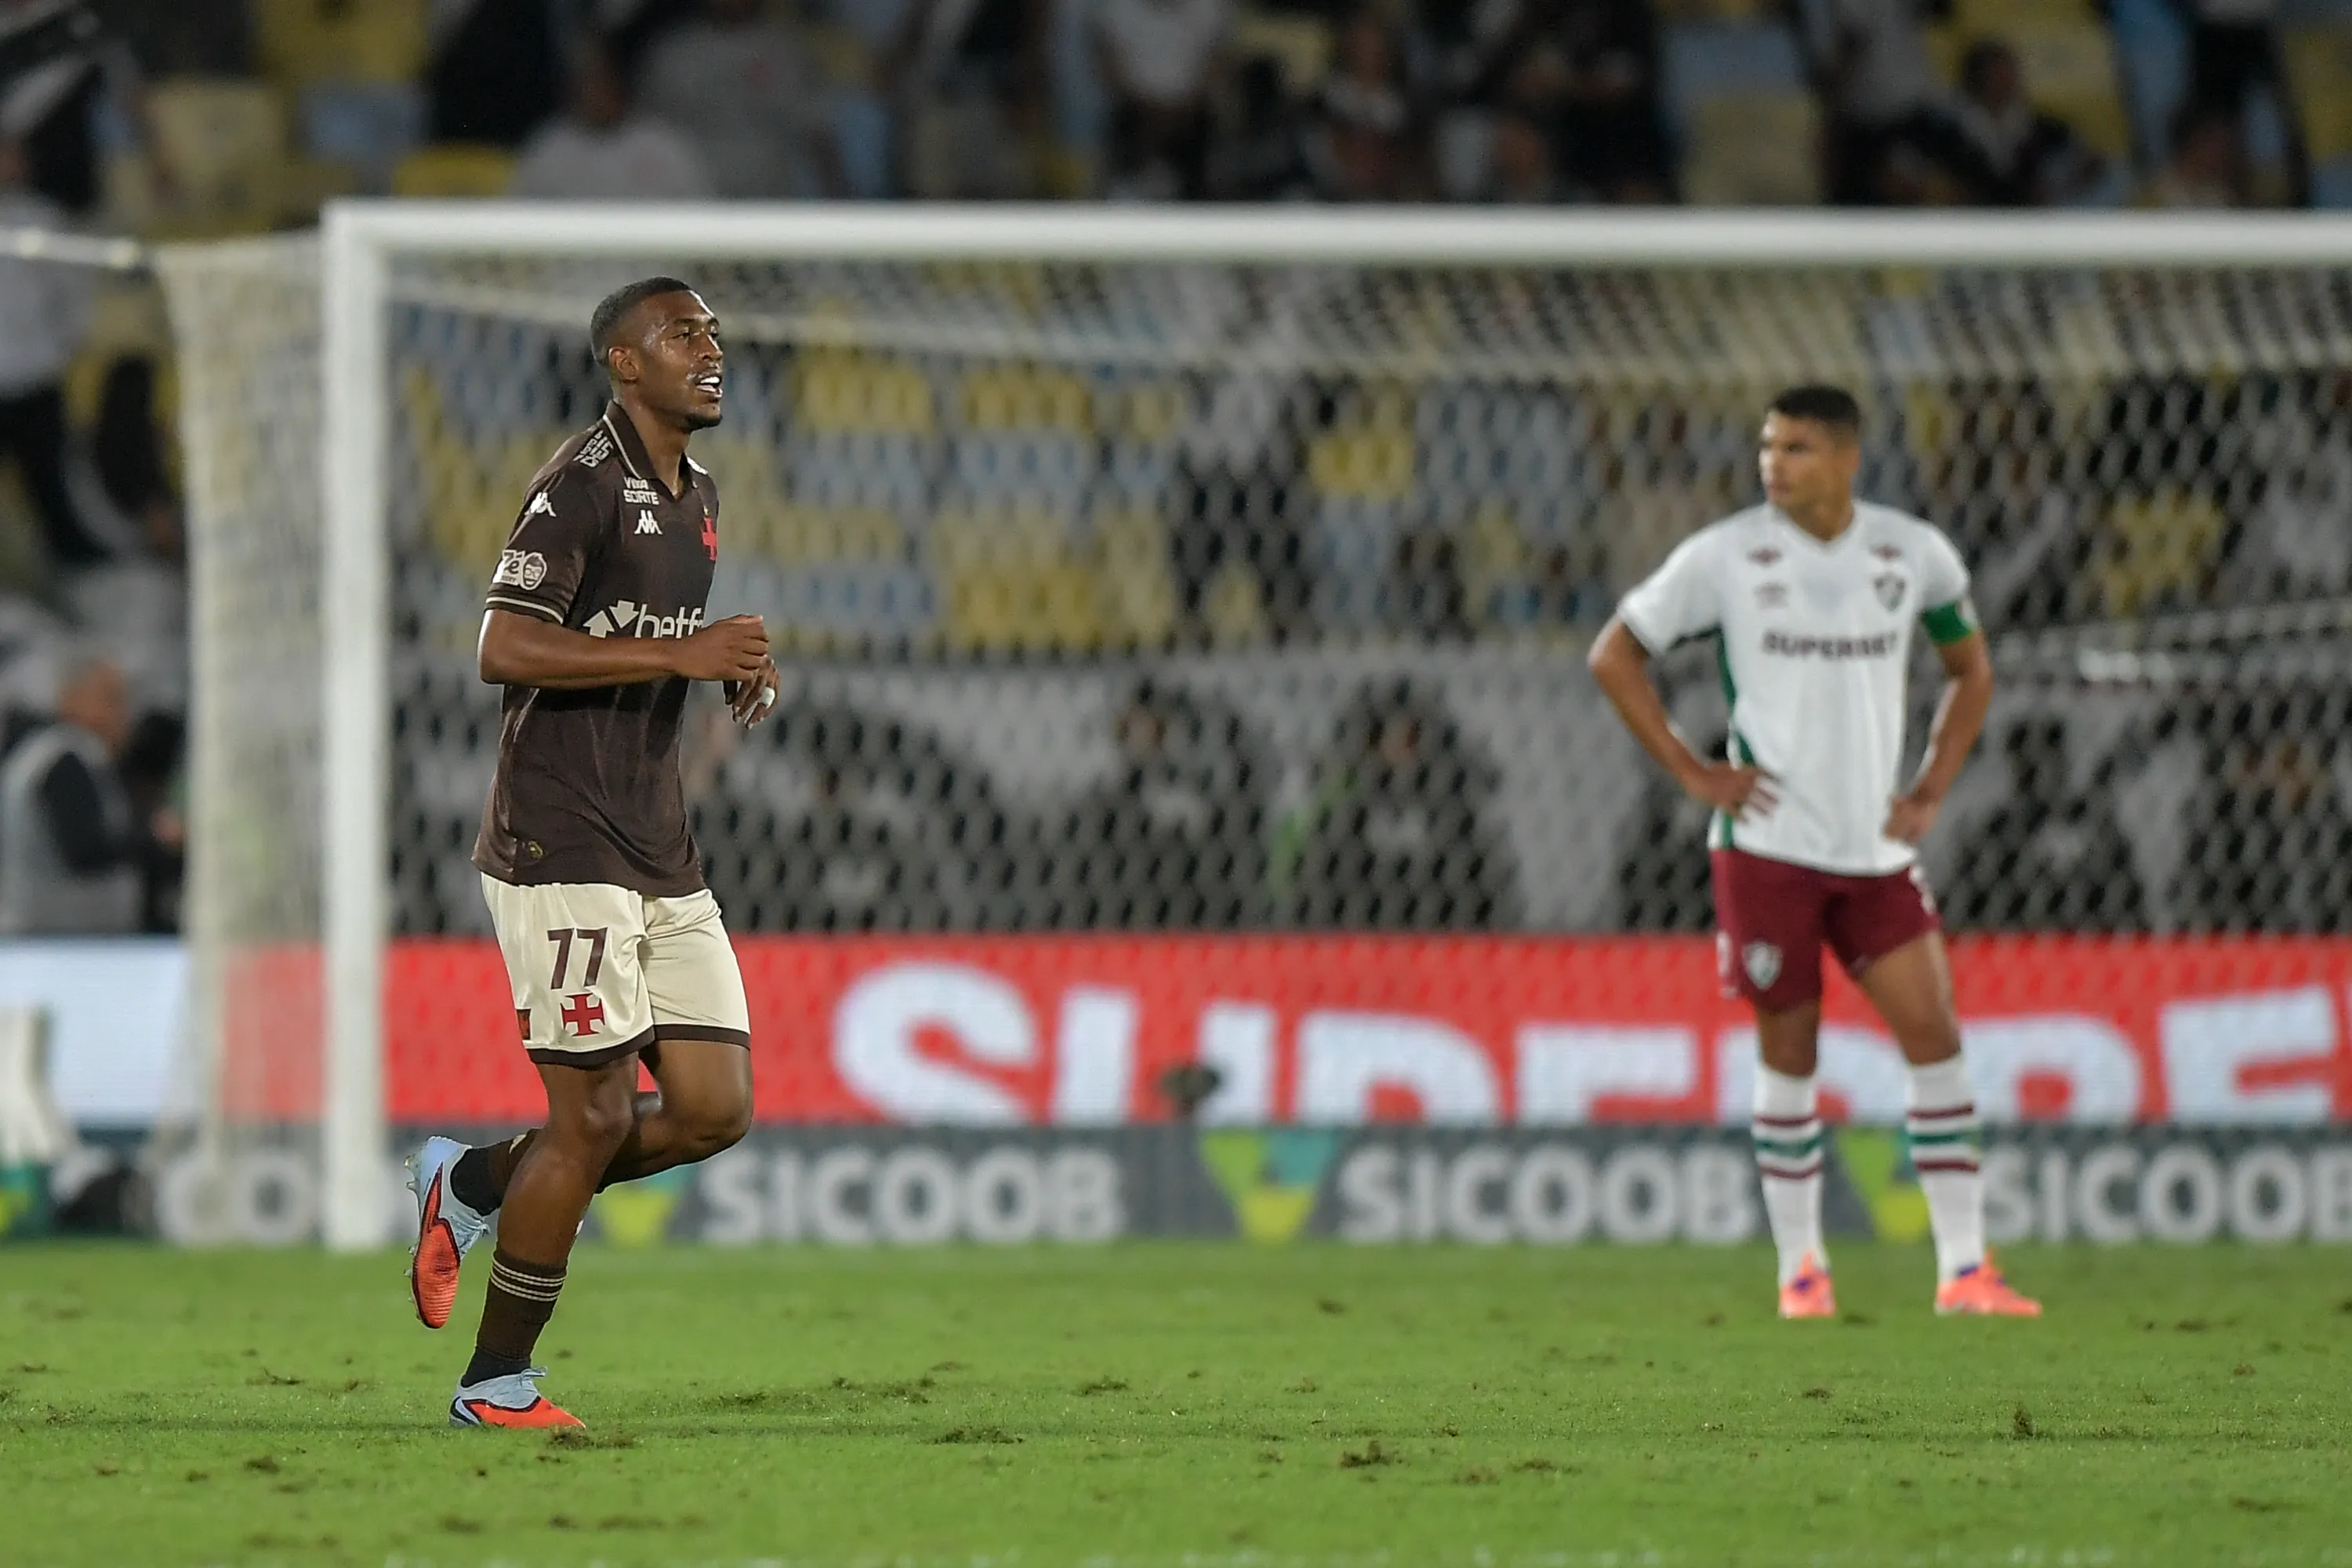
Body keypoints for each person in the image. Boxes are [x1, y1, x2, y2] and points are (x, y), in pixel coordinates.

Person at [404, 278, 779, 1430]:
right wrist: (685, 655)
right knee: (596, 1117)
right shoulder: (580, 486)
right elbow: (504, 645)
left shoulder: (698, 495)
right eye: (681, 333)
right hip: (559, 839)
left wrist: (727, 666)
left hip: (658, 841)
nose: (708, 348)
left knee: (713, 1107)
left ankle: (472, 1179)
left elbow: (652, 643)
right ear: (624, 361)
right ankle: (494, 1383)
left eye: (712, 331)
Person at [1587, 384, 2039, 1321]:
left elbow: (1970, 669)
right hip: (1768, 849)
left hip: (1875, 849)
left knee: (1935, 1038)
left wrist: (1932, 786)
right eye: (1767, 446)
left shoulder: (1912, 552)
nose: (1773, 464)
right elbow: (1614, 653)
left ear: (1846, 458)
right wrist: (1690, 768)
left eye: (1795, 447)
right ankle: (1802, 1270)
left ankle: (1964, 1269)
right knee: (1790, 1051)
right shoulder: (1724, 556)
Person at [0, 654, 180, 935]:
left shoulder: (56, 755)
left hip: (56, 939)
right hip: (59, 940)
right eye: (111, 699)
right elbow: (85, 850)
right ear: (72, 700)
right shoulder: (63, 761)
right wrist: (156, 838)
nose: (124, 713)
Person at [1943, 717, 2145, 933]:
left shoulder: (2091, 821)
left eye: (2049, 760)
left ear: (2062, 761)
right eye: (2027, 765)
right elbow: (1962, 899)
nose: (2040, 773)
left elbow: (2128, 896)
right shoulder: (1998, 829)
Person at [635, 0, 840, 199]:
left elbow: (817, 130)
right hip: (695, 193)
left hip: (771, 192)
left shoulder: (787, 49)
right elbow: (646, 137)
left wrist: (838, 198)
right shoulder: (673, 53)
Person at [510, 38, 716, 201]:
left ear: (619, 82)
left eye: (603, 80)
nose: (597, 93)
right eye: (589, 82)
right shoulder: (548, 150)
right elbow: (520, 220)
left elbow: (702, 212)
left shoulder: (665, 146)